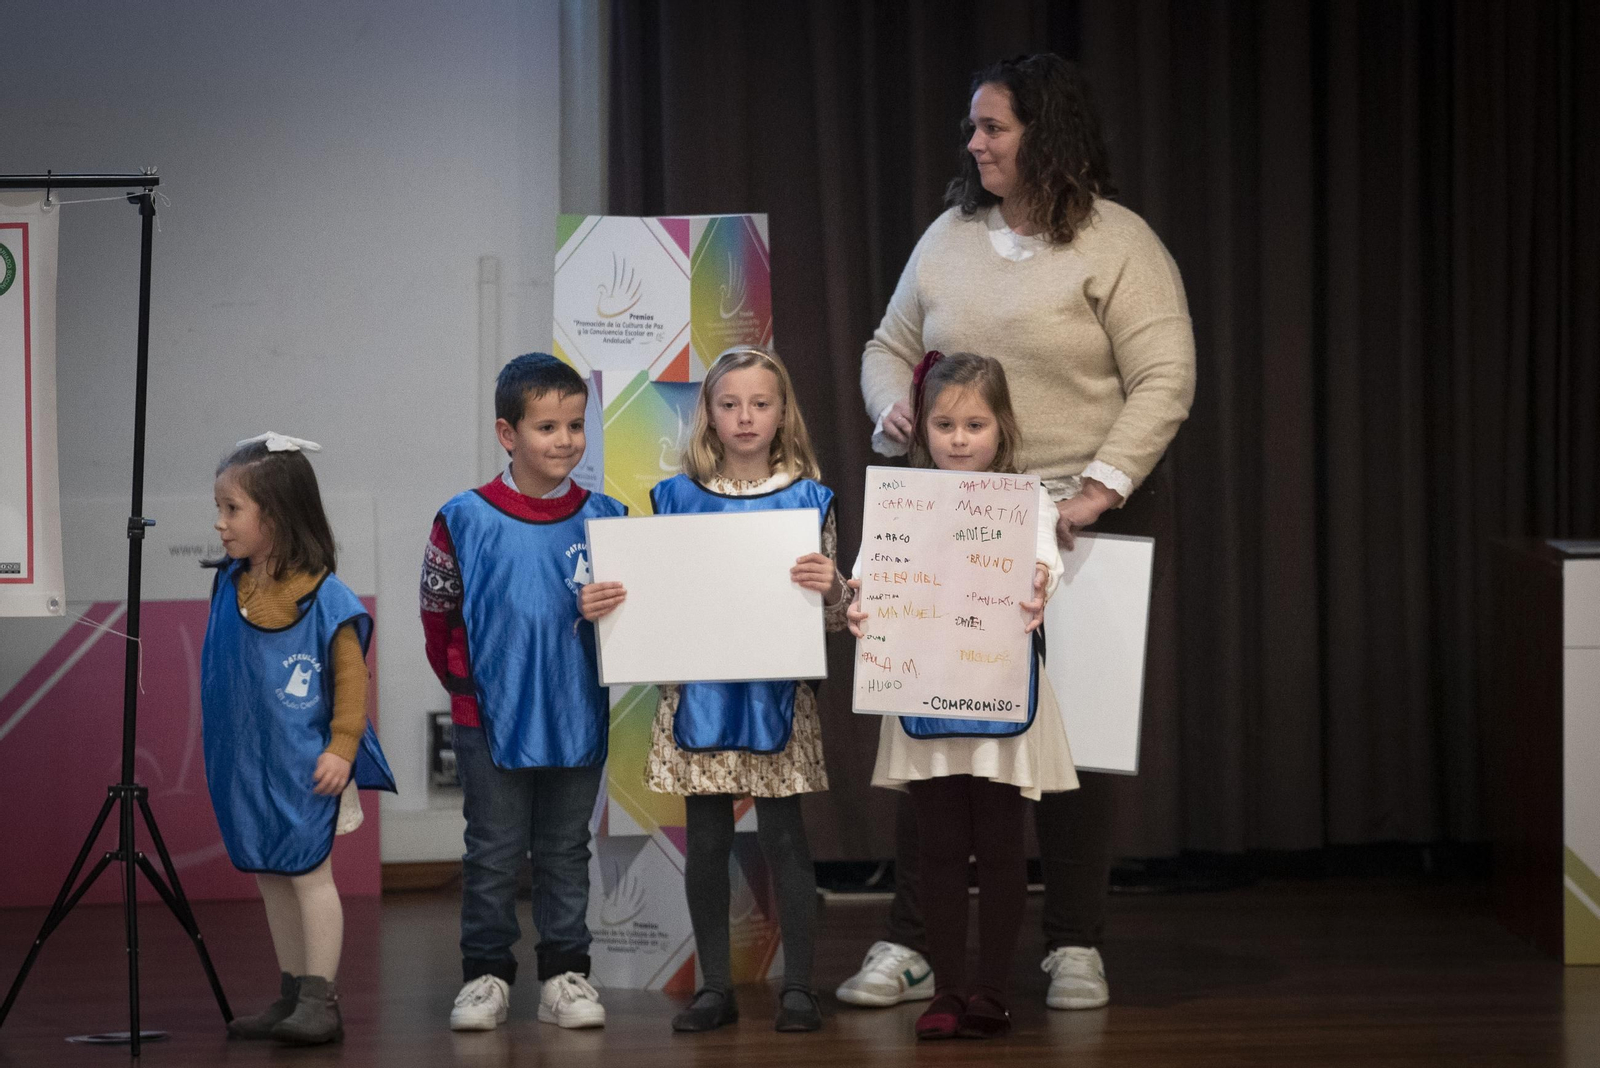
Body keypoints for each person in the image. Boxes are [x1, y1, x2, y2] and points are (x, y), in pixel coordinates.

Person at [845, 52, 1195, 1012]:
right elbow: (890, 344)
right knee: (938, 739)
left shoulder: (1119, 244)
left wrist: (1101, 486)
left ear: (1047, 133)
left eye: (993, 126)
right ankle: (914, 944)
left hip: (1080, 520)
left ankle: (1074, 942)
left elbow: (1166, 377)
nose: (975, 142)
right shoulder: (950, 236)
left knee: (1073, 738)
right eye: (974, 127)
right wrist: (894, 412)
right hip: (955, 518)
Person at [582, 346, 848, 1034]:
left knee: (786, 839)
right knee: (706, 841)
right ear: (708, 414)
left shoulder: (811, 499)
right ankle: (715, 988)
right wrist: (615, 605)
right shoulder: (673, 498)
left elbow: (834, 616)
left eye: (761, 403)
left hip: (778, 696)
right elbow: (658, 596)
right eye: (729, 404)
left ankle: (799, 988)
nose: (745, 417)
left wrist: (833, 590)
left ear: (783, 410)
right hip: (699, 691)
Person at [845, 351, 1077, 1039]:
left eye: (975, 423)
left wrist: (1039, 584)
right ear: (923, 430)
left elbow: (1046, 563)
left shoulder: (1025, 499)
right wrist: (860, 604)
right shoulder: (905, 500)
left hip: (1000, 693)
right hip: (924, 692)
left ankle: (993, 990)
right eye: (944, 423)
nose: (958, 437)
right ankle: (947, 990)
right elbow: (870, 572)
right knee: (940, 848)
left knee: (1002, 847)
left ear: (1001, 427)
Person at [421, 353, 626, 1032]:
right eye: (547, 427)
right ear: (508, 434)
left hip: (578, 711)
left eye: (575, 424)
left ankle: (565, 976)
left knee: (566, 849)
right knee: (493, 849)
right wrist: (467, 689)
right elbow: (439, 614)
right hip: (489, 717)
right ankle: (486, 976)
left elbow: (635, 622)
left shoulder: (609, 517)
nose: (565, 440)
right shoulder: (463, 518)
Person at [202, 432, 397, 1046]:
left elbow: (350, 681)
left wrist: (342, 748)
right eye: (221, 509)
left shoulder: (325, 597)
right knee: (271, 875)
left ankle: (322, 999)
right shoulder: (230, 586)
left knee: (310, 875)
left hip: (310, 766)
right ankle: (291, 994)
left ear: (277, 517)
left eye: (233, 510)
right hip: (251, 767)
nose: (221, 524)